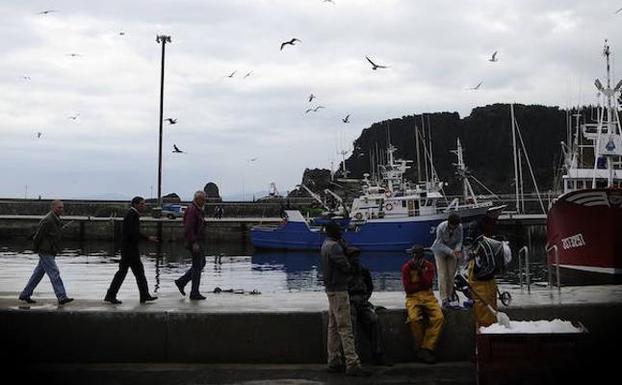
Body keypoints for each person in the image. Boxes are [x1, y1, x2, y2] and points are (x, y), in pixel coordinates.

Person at [320, 223, 372, 377]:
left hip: (331, 290)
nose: (341, 233)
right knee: (345, 327)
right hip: (340, 290)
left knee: (333, 327)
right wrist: (349, 258)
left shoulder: (325, 245)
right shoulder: (335, 247)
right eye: (339, 231)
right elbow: (346, 266)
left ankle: (334, 360)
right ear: (334, 232)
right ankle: (352, 363)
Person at [104, 196, 159, 304]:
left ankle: (143, 295)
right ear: (135, 204)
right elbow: (132, 233)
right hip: (130, 250)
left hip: (129, 249)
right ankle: (112, 295)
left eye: (144, 204)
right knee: (127, 273)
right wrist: (147, 238)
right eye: (142, 204)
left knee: (134, 272)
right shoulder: (132, 215)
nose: (144, 206)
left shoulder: (132, 214)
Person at [19, 200, 74, 305]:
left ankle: (25, 294)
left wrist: (62, 229)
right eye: (59, 207)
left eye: (62, 207)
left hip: (50, 250)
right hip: (45, 251)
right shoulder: (48, 220)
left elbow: (53, 234)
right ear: (53, 207)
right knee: (55, 273)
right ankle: (62, 296)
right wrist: (36, 249)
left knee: (37, 274)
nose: (61, 209)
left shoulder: (55, 219)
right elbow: (38, 235)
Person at [347, 248, 392, 366]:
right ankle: (352, 359)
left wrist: (365, 299)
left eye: (357, 256)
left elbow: (370, 287)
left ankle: (378, 353)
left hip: (363, 302)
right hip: (349, 303)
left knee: (374, 320)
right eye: (352, 256)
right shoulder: (344, 272)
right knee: (351, 324)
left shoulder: (363, 271)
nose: (355, 259)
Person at [401, 245, 444, 364]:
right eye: (414, 255)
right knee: (414, 319)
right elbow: (408, 288)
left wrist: (420, 273)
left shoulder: (429, 266)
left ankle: (427, 347)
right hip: (412, 298)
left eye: (418, 256)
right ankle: (420, 348)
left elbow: (429, 283)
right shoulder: (406, 267)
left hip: (428, 296)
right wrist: (421, 285)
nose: (415, 259)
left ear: (422, 257)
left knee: (439, 318)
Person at [175, 190, 208, 300]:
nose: (204, 201)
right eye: (202, 199)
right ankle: (194, 292)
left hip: (197, 241)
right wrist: (193, 242)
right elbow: (188, 228)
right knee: (197, 266)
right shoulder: (192, 210)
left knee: (200, 263)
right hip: (194, 242)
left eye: (205, 199)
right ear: (197, 199)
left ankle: (181, 282)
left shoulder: (197, 210)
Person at [431, 212, 463, 309]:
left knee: (451, 275)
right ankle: (444, 299)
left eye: (456, 226)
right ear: (449, 223)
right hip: (440, 251)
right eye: (453, 226)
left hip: (453, 251)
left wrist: (457, 250)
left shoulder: (460, 227)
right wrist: (451, 252)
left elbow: (460, 241)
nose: (454, 228)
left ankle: (449, 296)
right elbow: (439, 244)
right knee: (442, 275)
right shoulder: (441, 227)